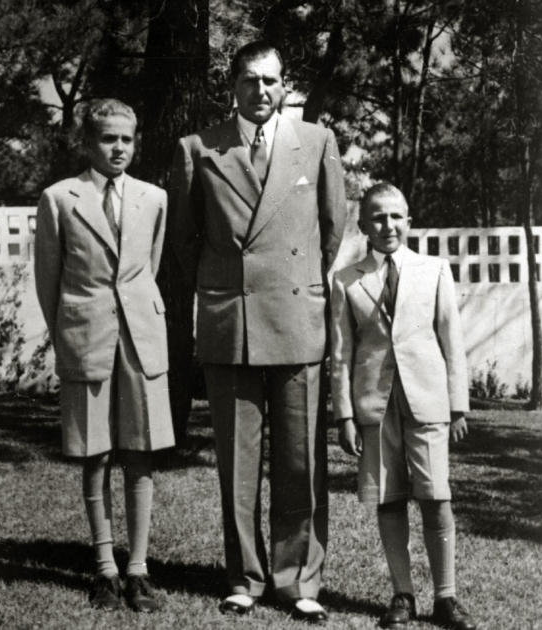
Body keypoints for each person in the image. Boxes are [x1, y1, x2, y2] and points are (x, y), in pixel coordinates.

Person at [169, 40, 347, 623]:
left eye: (271, 81)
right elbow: (185, 240)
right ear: (233, 84)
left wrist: (301, 285)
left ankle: (298, 581)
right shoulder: (199, 148)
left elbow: (331, 230)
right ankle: (244, 577)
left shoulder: (317, 142)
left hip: (297, 319)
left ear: (285, 83)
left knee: (301, 460)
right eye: (250, 81)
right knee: (237, 462)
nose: (261, 91)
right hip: (232, 321)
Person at [34, 99, 174, 614]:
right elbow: (48, 281)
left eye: (127, 140)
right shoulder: (59, 198)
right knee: (95, 455)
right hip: (86, 337)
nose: (119, 148)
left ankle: (137, 569)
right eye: (109, 139)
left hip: (140, 339)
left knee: (140, 452)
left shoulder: (153, 198)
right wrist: (70, 333)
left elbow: (147, 270)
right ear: (87, 143)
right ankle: (105, 569)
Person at [330, 183, 477, 630]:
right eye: (378, 217)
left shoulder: (433, 269)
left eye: (396, 216)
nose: (388, 225)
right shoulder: (347, 279)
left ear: (409, 221)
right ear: (363, 226)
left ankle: (446, 598)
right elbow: (340, 353)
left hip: (427, 398)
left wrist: (457, 405)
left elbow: (451, 338)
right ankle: (402, 594)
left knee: (436, 497)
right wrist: (345, 415)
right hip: (375, 403)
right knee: (389, 498)